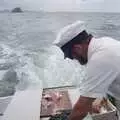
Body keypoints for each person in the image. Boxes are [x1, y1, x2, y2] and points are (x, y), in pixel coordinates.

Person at [53, 21, 120, 120]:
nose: (74, 59)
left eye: (72, 56)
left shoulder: (100, 58)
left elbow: (81, 109)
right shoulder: (104, 43)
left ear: (77, 48)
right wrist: (98, 98)